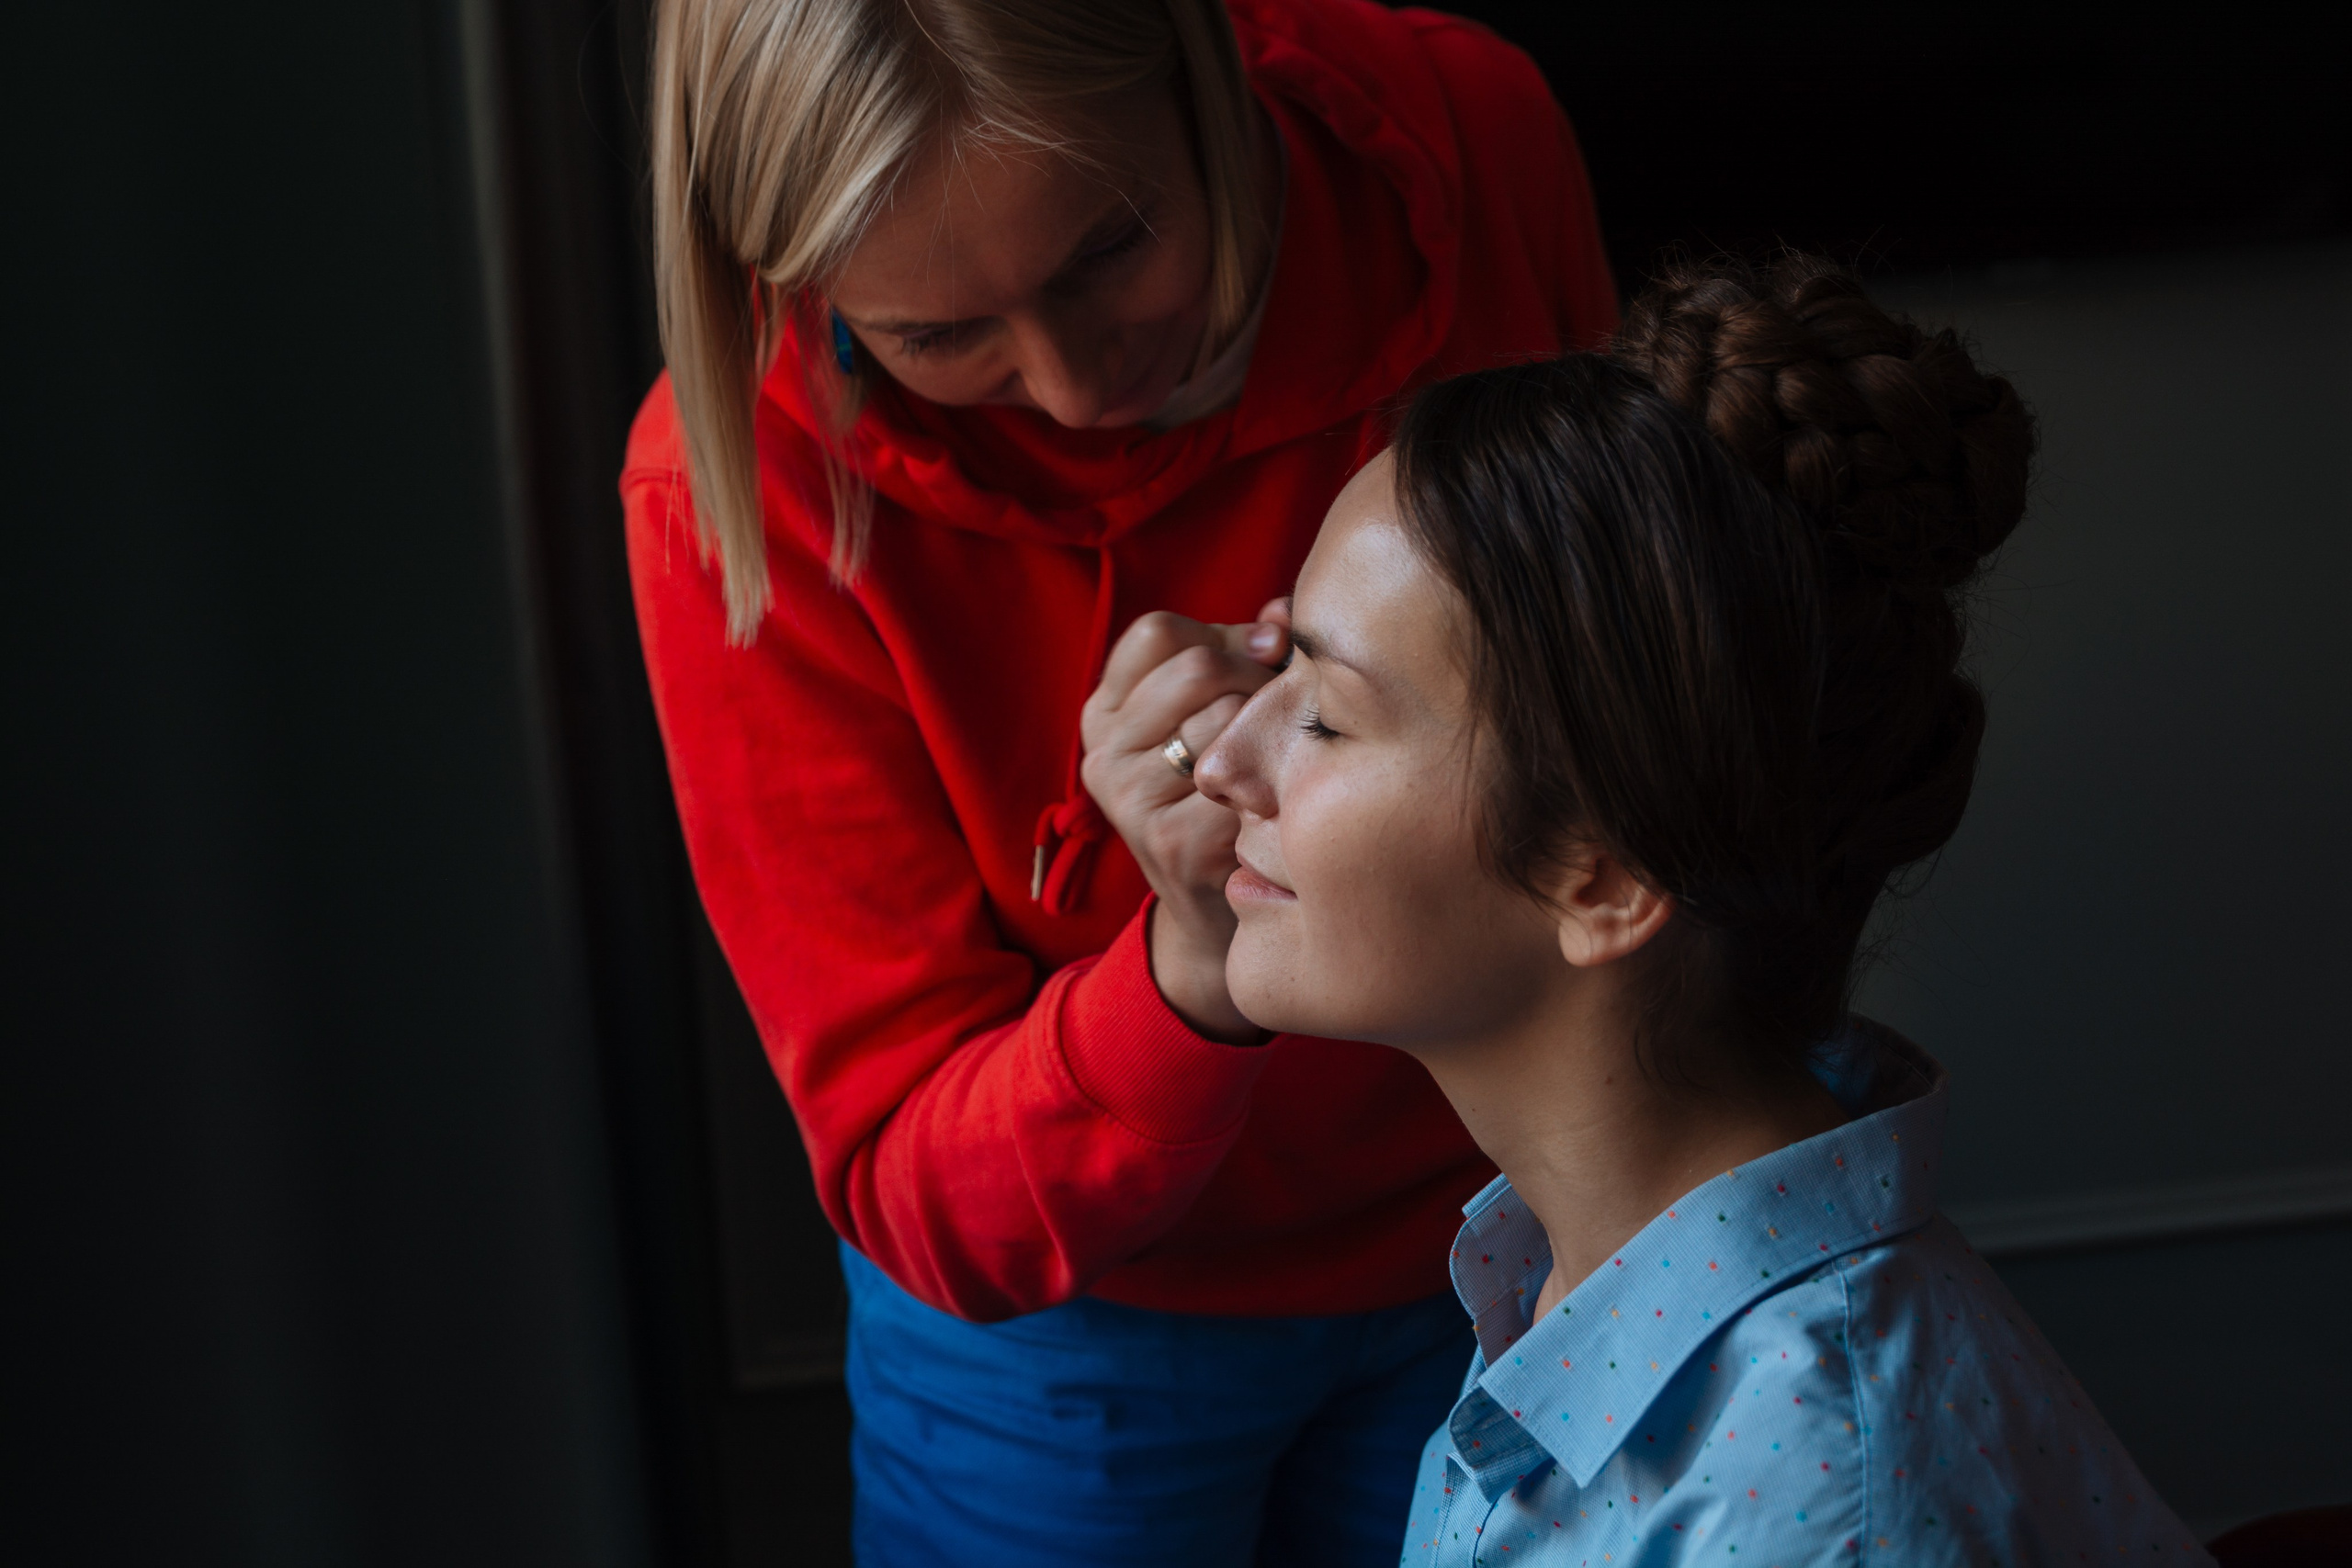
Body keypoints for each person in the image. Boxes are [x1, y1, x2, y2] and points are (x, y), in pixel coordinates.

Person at [619, 0, 1615, 1561]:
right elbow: (911, 1171)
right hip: (1059, 1339)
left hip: (1526, 1232)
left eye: (1109, 245)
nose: (1079, 392)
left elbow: (1639, 728)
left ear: (1194, 65)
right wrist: (1182, 970)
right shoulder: (727, 485)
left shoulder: (1465, 141)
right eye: (939, 335)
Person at [1193, 256, 2212, 1564]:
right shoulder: (1577, 1275)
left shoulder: (1815, 1494)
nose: (1219, 758)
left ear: (1606, 875)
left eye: (1326, 715)